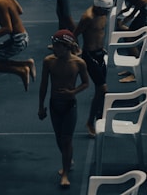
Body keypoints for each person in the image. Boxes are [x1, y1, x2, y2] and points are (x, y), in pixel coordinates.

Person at [38, 30, 89, 188]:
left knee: (67, 140)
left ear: (66, 47)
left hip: (69, 106)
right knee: (59, 139)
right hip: (54, 105)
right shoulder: (49, 61)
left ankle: (65, 173)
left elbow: (86, 83)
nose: (53, 49)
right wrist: (41, 106)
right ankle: (68, 159)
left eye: (57, 46)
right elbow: (44, 85)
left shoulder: (78, 63)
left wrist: (72, 92)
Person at [73, 0, 113, 137]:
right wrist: (75, 49)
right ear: (97, 6)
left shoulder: (102, 14)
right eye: (104, 10)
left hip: (100, 54)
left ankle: (100, 118)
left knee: (101, 91)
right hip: (89, 56)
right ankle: (90, 122)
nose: (106, 13)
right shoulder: (87, 17)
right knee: (102, 88)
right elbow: (74, 35)